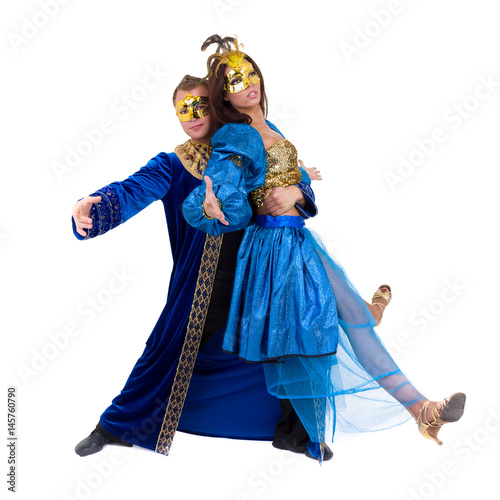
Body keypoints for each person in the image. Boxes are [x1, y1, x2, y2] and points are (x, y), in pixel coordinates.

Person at [182, 36, 466, 462]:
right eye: (235, 80)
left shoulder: (269, 128)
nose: (248, 82)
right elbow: (226, 200)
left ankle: (418, 406)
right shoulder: (235, 139)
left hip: (297, 241)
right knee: (313, 336)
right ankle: (409, 408)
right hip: (273, 253)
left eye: (250, 71)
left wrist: (298, 185)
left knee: (345, 320)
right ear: (225, 94)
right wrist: (213, 206)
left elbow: (291, 184)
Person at [71, 75, 323, 458]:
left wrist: (297, 190)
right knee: (165, 350)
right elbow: (131, 190)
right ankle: (116, 427)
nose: (193, 115)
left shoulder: (251, 147)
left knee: (289, 343)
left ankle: (299, 436)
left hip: (261, 274)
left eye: (201, 104)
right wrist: (94, 205)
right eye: (183, 108)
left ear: (219, 105)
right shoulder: (173, 166)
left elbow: (296, 180)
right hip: (201, 285)